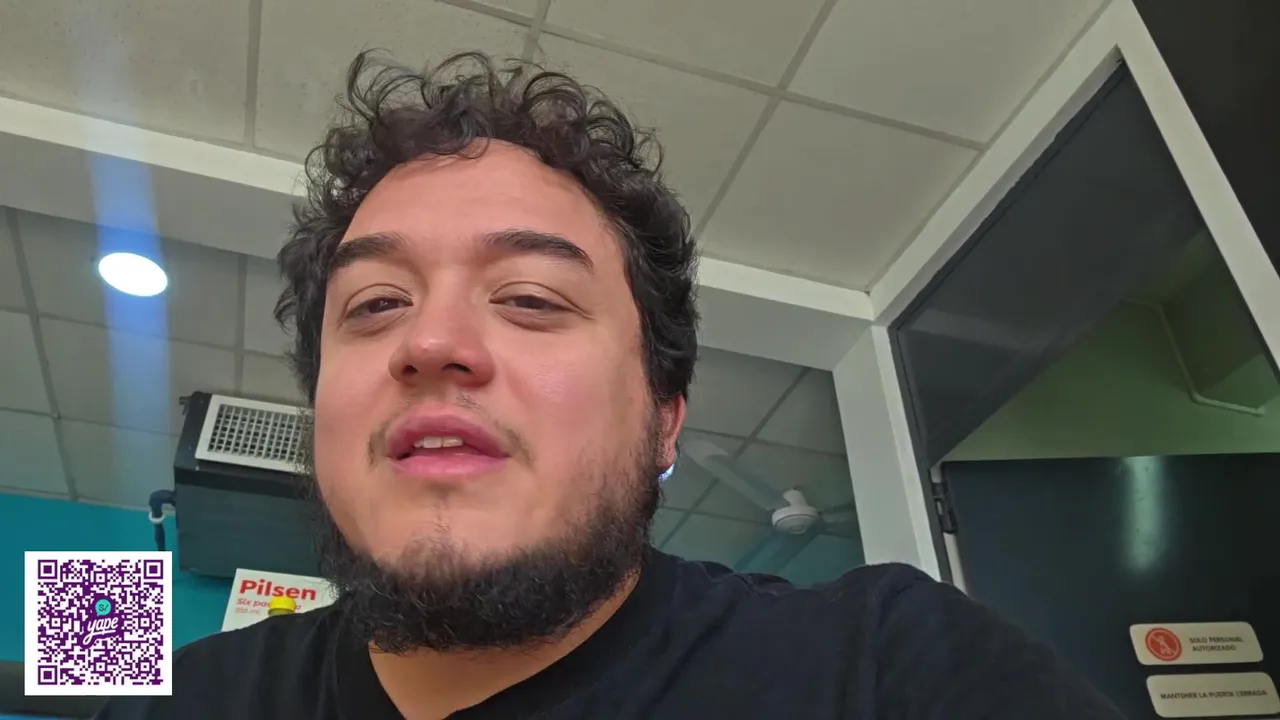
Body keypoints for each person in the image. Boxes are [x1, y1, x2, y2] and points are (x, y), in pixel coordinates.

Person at [97, 51, 1123, 720]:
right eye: (375, 305)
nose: (431, 341)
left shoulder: (888, 670)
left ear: (664, 419)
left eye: (530, 297)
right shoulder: (164, 703)